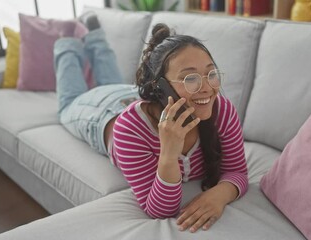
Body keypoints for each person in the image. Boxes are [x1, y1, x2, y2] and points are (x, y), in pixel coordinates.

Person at [54, 14, 248, 233]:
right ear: (162, 86)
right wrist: (169, 152)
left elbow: (237, 171)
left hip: (137, 96)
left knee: (114, 83)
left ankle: (95, 35)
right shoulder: (129, 128)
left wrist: (220, 194)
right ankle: (66, 40)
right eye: (190, 78)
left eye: (210, 74)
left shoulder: (221, 110)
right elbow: (160, 210)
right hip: (102, 113)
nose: (207, 88)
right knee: (68, 103)